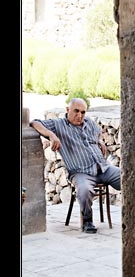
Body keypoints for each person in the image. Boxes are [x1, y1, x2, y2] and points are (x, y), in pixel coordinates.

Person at [30, 98, 121, 234]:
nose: (80, 115)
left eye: (83, 112)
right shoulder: (58, 125)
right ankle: (87, 220)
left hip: (103, 168)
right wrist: (51, 135)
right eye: (76, 111)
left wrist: (100, 141)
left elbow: (97, 133)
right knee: (83, 190)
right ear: (68, 110)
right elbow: (34, 123)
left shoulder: (88, 122)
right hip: (80, 173)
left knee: (129, 179)